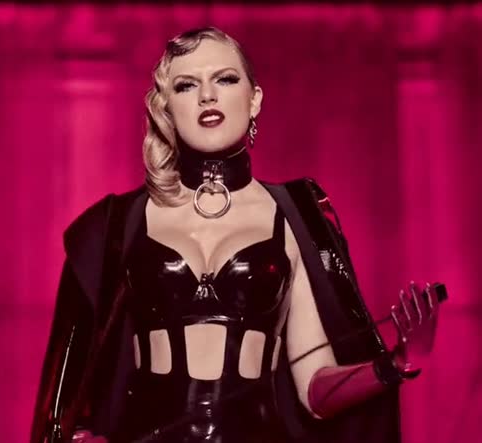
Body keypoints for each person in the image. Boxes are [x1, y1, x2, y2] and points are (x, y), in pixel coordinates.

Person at [30, 27, 442, 443]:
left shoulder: (295, 216)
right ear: (166, 107)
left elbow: (314, 390)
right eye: (187, 85)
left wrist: (397, 362)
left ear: (255, 99)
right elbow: (62, 398)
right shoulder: (112, 226)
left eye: (225, 79)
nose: (207, 96)